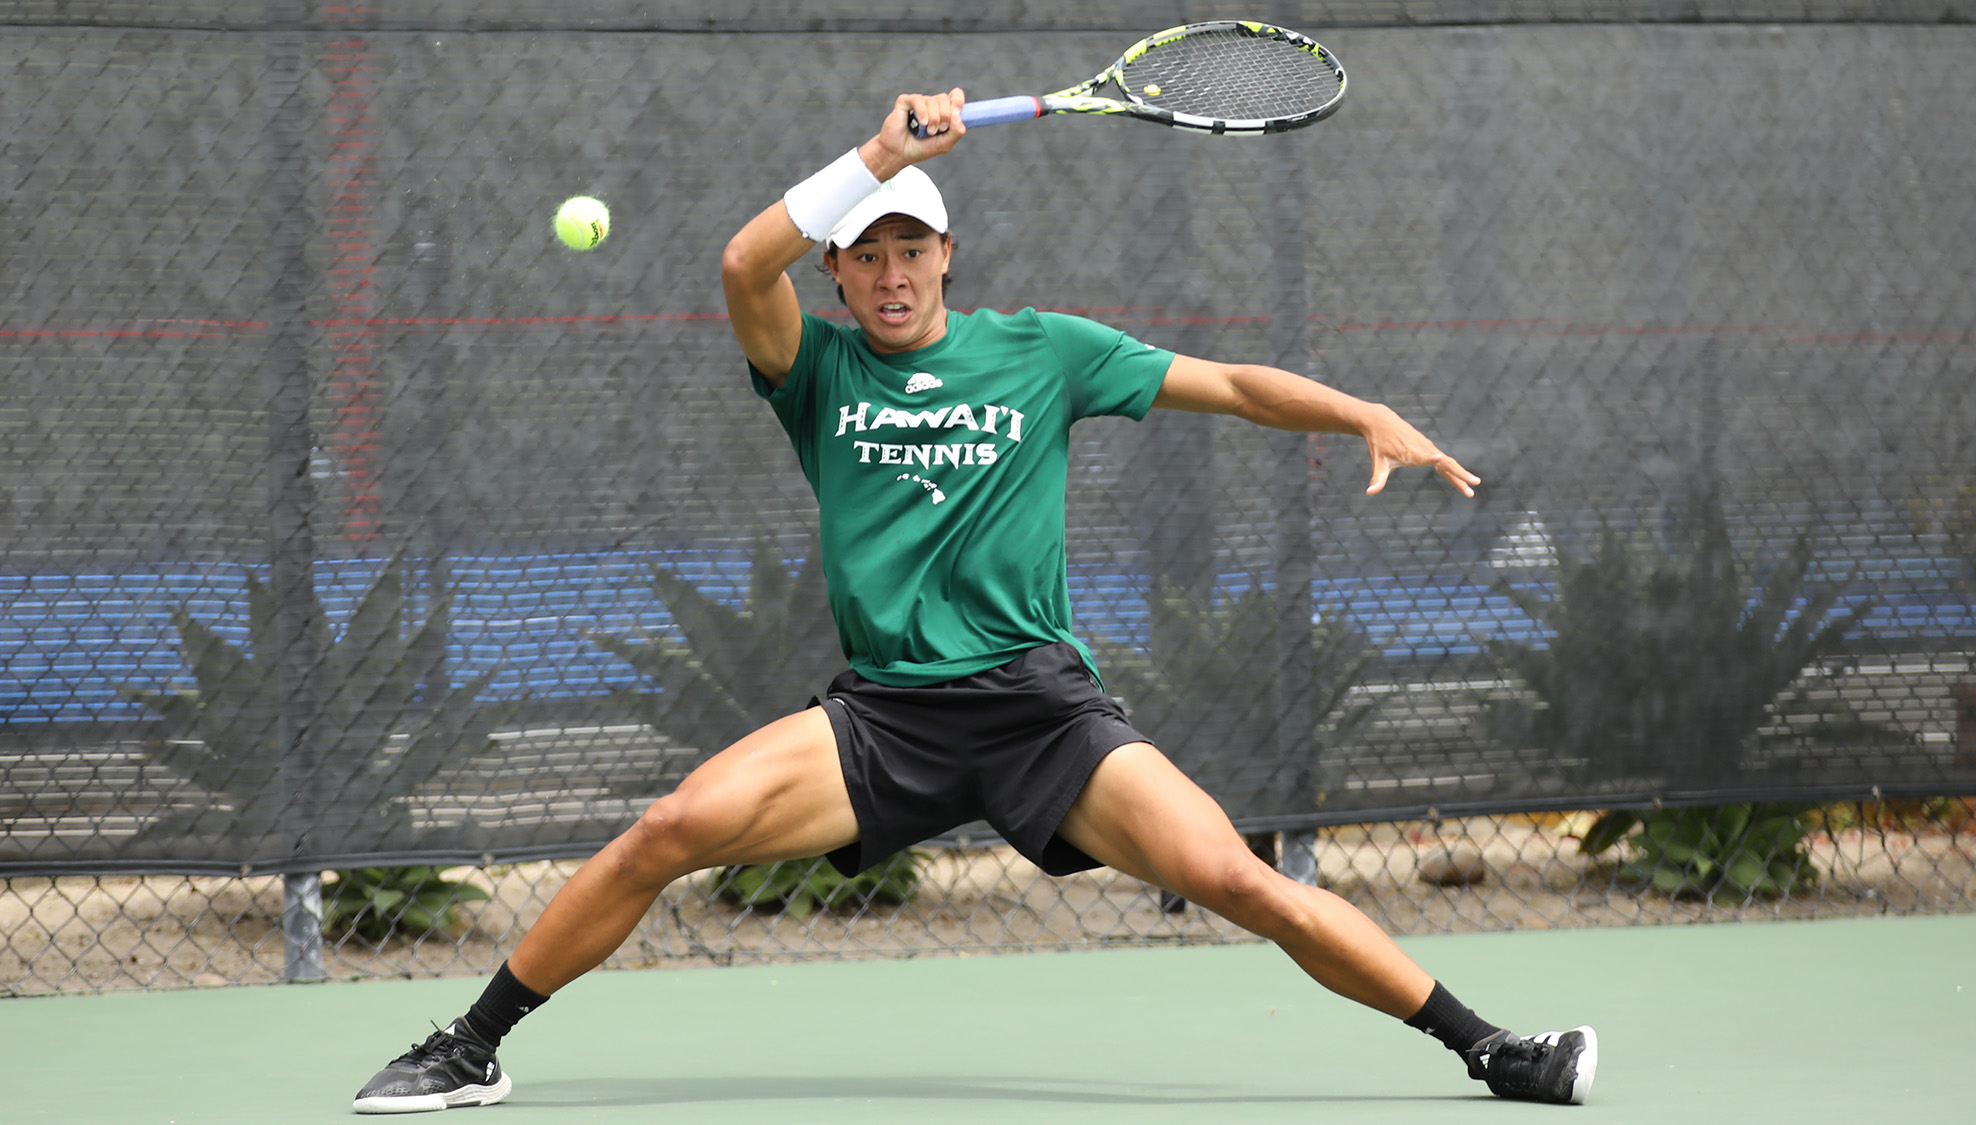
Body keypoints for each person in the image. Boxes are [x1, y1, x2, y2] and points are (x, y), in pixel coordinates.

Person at [352, 89, 1597, 1114]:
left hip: (1041, 716)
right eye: (865, 254)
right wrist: (876, 156)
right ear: (835, 271)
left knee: (1239, 880)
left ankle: (1489, 1049)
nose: (889, 273)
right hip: (883, 721)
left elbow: (1226, 385)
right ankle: (471, 1045)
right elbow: (741, 262)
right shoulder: (813, 368)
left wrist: (1360, 412)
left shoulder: (1041, 350)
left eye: (910, 247)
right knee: (668, 828)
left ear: (947, 255)